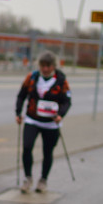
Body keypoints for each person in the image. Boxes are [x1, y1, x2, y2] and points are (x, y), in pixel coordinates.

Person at [14, 51, 72, 193]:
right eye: (42, 66)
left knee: (48, 151)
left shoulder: (61, 81)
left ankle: (43, 180)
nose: (45, 69)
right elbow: (21, 96)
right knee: (27, 147)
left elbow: (67, 102)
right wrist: (18, 112)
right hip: (32, 119)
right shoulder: (32, 77)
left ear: (54, 66)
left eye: (48, 66)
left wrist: (61, 115)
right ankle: (28, 178)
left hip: (51, 123)